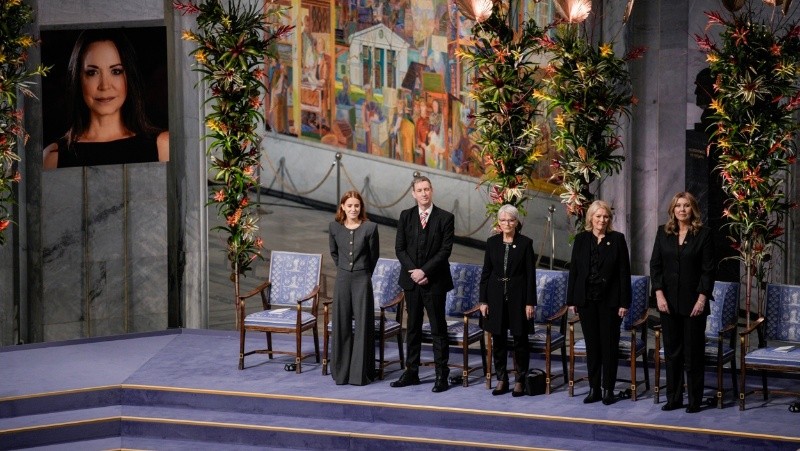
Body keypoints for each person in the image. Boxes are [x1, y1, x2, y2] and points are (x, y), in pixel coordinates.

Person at [43, 29, 168, 169]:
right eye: (92, 73)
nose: (105, 86)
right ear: (78, 79)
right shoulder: (53, 158)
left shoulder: (162, 146)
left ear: (129, 76)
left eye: (116, 71)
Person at [650, 192, 715, 414]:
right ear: (672, 209)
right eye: (678, 206)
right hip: (667, 303)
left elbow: (708, 270)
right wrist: (658, 294)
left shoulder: (703, 234)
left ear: (693, 209)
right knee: (672, 353)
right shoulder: (663, 232)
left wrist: (702, 298)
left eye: (686, 205)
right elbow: (655, 266)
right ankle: (674, 398)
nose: (682, 209)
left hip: (694, 303)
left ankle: (695, 400)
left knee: (693, 354)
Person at [392, 175, 454, 392]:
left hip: (435, 281)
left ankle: (441, 375)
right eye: (420, 190)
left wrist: (425, 271)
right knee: (413, 329)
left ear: (432, 190)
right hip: (412, 282)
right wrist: (415, 273)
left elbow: (445, 251)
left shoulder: (445, 218)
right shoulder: (405, 216)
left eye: (427, 189)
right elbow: (400, 248)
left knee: (438, 329)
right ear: (413, 193)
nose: (424, 193)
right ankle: (411, 372)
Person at [567, 200, 632, 405]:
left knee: (609, 347)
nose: (602, 220)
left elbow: (624, 273)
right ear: (591, 218)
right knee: (592, 346)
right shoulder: (581, 239)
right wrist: (572, 300)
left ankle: (608, 390)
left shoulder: (618, 239)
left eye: (605, 217)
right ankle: (594, 388)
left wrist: (624, 302)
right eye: (598, 216)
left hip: (610, 302)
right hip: (586, 301)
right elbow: (574, 271)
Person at [479, 204, 537, 397]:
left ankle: (520, 380)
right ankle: (501, 378)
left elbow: (530, 275)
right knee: (498, 339)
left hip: (519, 298)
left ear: (516, 222)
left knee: (520, 339)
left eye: (511, 220)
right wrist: (483, 301)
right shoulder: (492, 242)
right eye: (503, 220)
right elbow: (486, 273)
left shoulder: (525, 243)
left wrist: (530, 302)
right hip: (495, 297)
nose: (507, 223)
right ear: (498, 222)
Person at [328, 190, 380, 385]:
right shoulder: (334, 227)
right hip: (342, 280)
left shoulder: (370, 228)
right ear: (342, 207)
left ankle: (360, 374)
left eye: (356, 206)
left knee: (363, 325)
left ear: (361, 208)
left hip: (362, 279)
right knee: (341, 323)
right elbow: (334, 254)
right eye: (349, 205)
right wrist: (345, 269)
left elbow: (374, 256)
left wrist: (362, 272)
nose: (353, 209)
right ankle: (341, 372)